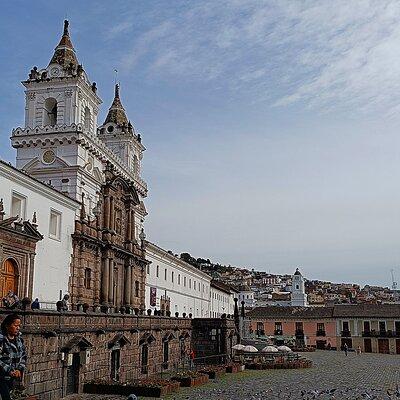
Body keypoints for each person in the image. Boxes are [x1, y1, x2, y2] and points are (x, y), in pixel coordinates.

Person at [0, 314, 27, 400]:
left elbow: (24, 356)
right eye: (15, 325)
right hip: (1, 377)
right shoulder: (1, 340)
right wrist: (9, 370)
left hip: (13, 378)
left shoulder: (19, 339)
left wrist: (19, 369)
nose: (18, 328)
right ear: (7, 325)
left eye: (19, 325)